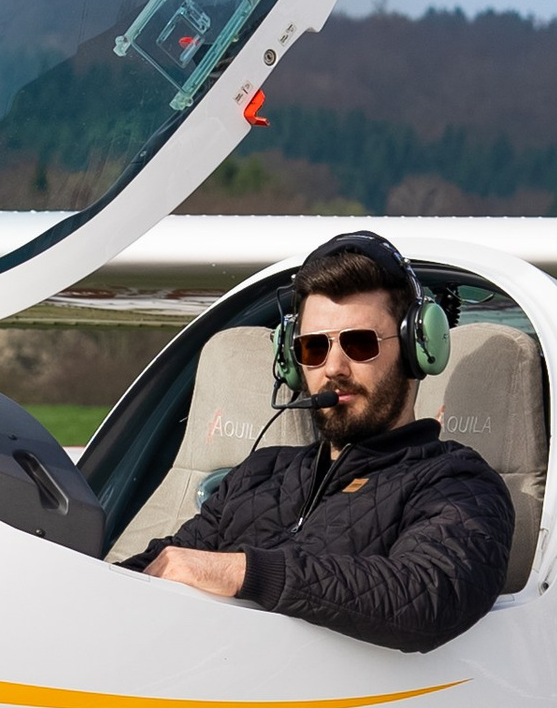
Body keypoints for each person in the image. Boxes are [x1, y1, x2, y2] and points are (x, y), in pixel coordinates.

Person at [137, 231, 515, 653]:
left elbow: (427, 595)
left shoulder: (458, 484)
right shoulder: (258, 475)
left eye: (359, 344)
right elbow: (166, 564)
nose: (333, 367)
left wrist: (249, 573)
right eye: (313, 347)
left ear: (416, 348)